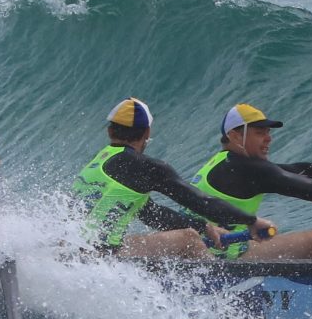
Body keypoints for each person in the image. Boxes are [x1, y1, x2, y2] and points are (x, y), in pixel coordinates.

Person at [192, 102, 312, 260]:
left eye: (268, 132)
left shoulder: (224, 162)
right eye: (260, 133)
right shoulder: (247, 168)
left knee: (269, 241)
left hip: (216, 250)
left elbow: (299, 170)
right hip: (220, 260)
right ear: (235, 136)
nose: (268, 138)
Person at [72, 97, 263, 258]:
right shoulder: (144, 166)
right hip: (101, 255)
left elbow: (152, 214)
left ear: (110, 131)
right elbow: (200, 201)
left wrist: (204, 227)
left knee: (188, 234)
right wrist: (251, 221)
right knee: (188, 239)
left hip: (76, 250)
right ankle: (224, 294)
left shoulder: (101, 160)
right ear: (147, 132)